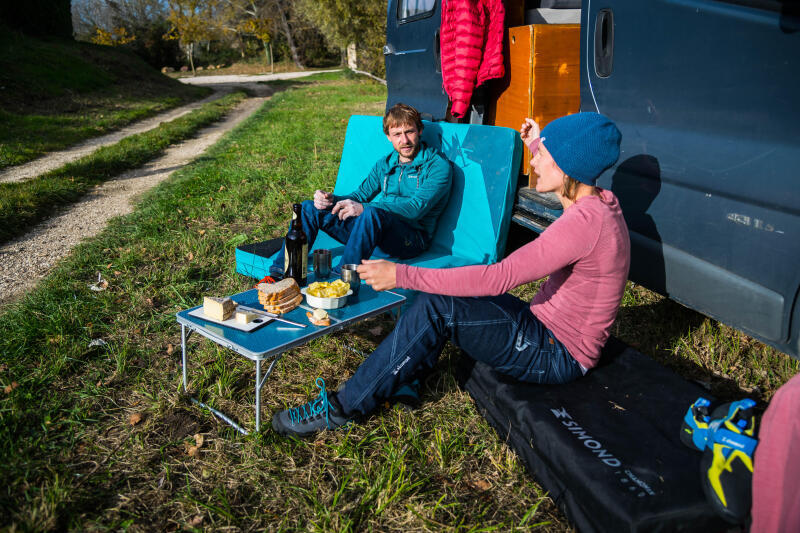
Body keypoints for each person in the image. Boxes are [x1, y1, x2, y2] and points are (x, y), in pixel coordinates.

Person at [272, 112, 631, 438]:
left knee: (438, 306)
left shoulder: (584, 225)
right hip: (543, 329)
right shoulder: (598, 202)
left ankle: (341, 408)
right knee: (446, 298)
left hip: (556, 353)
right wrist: (538, 141)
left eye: (542, 156)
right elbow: (572, 158)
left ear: (567, 168)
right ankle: (405, 380)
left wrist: (403, 275)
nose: (533, 161)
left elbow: (498, 278)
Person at [270, 103, 453, 277]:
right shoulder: (385, 163)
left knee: (371, 212)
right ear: (388, 136)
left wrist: (365, 208)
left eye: (409, 132)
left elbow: (414, 209)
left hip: (411, 240)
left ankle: (340, 279)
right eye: (397, 134)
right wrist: (331, 199)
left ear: (420, 131)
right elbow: (360, 196)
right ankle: (281, 270)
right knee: (309, 208)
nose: (404, 140)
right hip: (373, 232)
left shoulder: (438, 167)